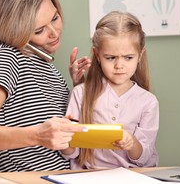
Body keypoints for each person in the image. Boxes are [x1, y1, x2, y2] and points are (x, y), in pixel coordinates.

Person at [0, 0, 91, 172]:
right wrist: (38, 135)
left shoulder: (47, 66)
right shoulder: (7, 58)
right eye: (39, 30)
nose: (54, 33)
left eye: (55, 18)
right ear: (16, 31)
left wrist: (78, 87)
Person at [61, 11, 159, 169]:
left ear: (140, 55)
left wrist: (132, 143)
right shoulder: (80, 93)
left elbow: (144, 157)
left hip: (132, 177)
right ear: (97, 55)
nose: (119, 65)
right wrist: (64, 137)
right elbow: (71, 153)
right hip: (89, 177)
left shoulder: (148, 101)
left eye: (128, 57)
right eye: (110, 57)